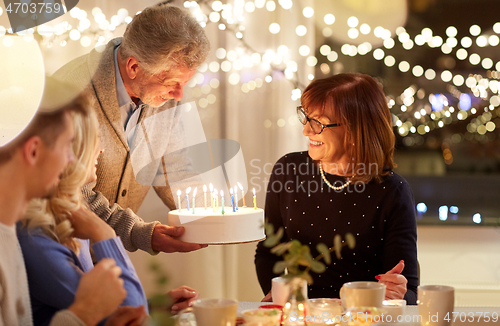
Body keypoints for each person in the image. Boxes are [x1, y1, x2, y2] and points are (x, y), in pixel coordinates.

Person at [18, 101, 199, 325]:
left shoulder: (67, 218)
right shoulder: (37, 236)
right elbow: (128, 312)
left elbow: (107, 312)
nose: (101, 149)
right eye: (95, 138)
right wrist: (103, 233)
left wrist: (152, 305)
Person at [52, 4, 210, 255]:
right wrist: (138, 232)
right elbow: (70, 193)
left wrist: (213, 216)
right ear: (134, 67)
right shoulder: (70, 92)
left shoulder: (164, 94)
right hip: (62, 249)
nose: (179, 95)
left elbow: (175, 167)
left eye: (184, 83)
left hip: (110, 251)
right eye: (171, 83)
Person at [254, 73, 418, 304]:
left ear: (355, 129)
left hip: (361, 318)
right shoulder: (288, 169)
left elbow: (409, 290)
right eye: (306, 117)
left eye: (318, 123)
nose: (306, 131)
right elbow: (267, 252)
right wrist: (281, 294)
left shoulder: (393, 191)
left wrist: (397, 293)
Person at [0, 77, 137, 326]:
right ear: (33, 151)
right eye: (67, 146)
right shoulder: (24, 238)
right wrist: (83, 315)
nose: (72, 161)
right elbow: (131, 311)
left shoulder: (8, 235)